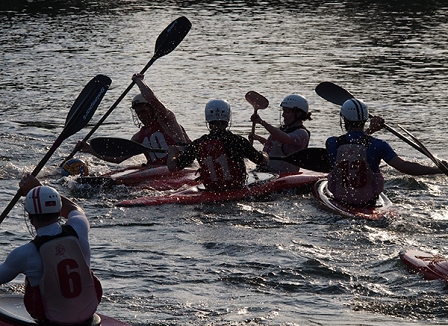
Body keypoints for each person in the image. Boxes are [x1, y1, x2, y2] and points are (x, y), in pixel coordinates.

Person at [0, 174, 102, 324]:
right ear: (58, 211)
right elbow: (75, 209)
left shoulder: (24, 254)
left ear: (29, 217)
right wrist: (37, 187)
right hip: (89, 321)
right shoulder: (79, 229)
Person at [326, 98, 446, 207]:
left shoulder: (332, 143)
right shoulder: (379, 145)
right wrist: (438, 170)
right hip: (368, 202)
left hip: (341, 200)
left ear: (343, 119)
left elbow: (353, 147)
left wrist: (370, 131)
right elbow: (405, 167)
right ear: (365, 119)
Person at [76, 73, 190, 165]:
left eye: (144, 111)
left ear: (153, 110)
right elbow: (117, 159)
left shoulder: (168, 121)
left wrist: (139, 80)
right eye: (138, 113)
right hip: (156, 175)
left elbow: (152, 100)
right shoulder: (138, 137)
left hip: (180, 169)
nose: (141, 116)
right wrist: (90, 150)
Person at [167, 99, 269, 191]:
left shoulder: (198, 144)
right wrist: (264, 153)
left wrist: (172, 153)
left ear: (208, 120)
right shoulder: (238, 141)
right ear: (227, 119)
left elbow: (173, 167)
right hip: (236, 190)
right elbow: (263, 162)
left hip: (211, 192)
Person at [250, 94, 312, 173]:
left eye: (287, 112)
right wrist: (258, 138)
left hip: (282, 175)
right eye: (283, 111)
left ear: (298, 114)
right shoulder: (283, 130)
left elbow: (285, 139)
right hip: (265, 171)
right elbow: (275, 146)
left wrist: (262, 122)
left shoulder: (302, 133)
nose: (283, 115)